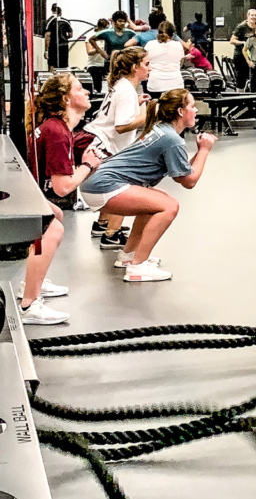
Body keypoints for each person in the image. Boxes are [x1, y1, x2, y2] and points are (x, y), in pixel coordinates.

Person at [80, 90, 217, 281]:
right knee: (170, 206)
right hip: (103, 186)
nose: (195, 110)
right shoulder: (172, 139)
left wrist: (201, 151)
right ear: (180, 111)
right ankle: (138, 267)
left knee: (159, 199)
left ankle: (128, 256)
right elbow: (189, 182)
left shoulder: (162, 130)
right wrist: (204, 150)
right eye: (192, 106)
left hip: (96, 183)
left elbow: (185, 172)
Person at [20, 74, 103, 325]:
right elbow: (63, 187)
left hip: (27, 191)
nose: (87, 92)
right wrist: (88, 165)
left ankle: (35, 279)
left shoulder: (57, 128)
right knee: (53, 230)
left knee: (55, 215)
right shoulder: (57, 131)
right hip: (24, 194)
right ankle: (29, 305)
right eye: (80, 88)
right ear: (67, 98)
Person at [84, 47, 151, 249]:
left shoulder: (123, 87)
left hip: (98, 139)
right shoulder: (126, 91)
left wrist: (136, 103)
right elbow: (121, 126)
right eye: (147, 64)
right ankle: (112, 234)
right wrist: (148, 116)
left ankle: (102, 224)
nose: (150, 69)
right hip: (104, 144)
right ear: (134, 67)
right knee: (123, 186)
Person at [144, 21, 186, 99]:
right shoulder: (178, 45)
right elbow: (181, 63)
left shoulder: (150, 45)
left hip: (155, 85)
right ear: (173, 34)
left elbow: (145, 63)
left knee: (155, 110)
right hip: (175, 84)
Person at [88, 11, 136, 76]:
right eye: (120, 21)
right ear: (114, 22)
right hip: (110, 62)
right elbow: (91, 39)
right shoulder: (107, 32)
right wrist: (101, 51)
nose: (122, 23)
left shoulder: (130, 33)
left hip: (125, 62)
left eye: (124, 21)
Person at [230, 8, 256, 90]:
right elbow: (232, 40)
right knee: (241, 78)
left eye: (255, 15)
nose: (254, 17)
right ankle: (239, 96)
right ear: (248, 16)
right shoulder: (241, 27)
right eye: (252, 15)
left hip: (254, 56)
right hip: (241, 55)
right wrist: (242, 43)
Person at [85, 17, 109, 94]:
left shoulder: (108, 35)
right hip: (94, 64)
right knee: (97, 87)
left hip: (105, 63)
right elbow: (89, 51)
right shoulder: (91, 36)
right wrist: (99, 50)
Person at [44, 5, 73, 70]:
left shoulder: (49, 21)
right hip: (64, 46)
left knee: (52, 64)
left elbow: (47, 36)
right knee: (64, 65)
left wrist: (46, 50)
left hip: (53, 46)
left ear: (52, 11)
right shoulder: (66, 21)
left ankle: (52, 78)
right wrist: (65, 38)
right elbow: (71, 34)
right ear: (60, 12)